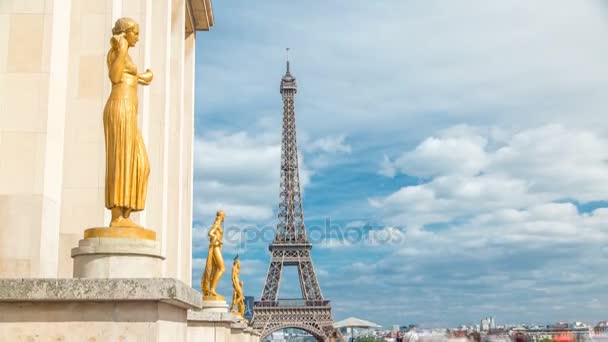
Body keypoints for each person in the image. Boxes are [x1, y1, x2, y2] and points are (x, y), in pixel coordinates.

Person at [103, 17, 153, 228]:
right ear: (126, 33)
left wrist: (144, 77)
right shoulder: (116, 51)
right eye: (136, 33)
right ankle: (117, 216)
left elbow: (132, 77)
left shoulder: (126, 56)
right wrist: (121, 48)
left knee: (141, 164)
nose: (138, 38)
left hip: (129, 111)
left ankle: (126, 212)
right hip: (119, 108)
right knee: (120, 159)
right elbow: (115, 76)